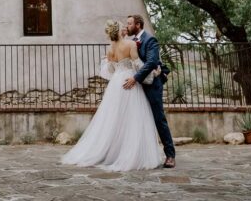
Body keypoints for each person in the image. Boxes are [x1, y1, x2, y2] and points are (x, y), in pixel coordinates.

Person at [61, 20, 164, 171]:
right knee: (133, 118)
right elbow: (138, 66)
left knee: (114, 118)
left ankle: (113, 152)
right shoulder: (130, 45)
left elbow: (110, 70)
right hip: (129, 81)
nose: (125, 28)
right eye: (123, 26)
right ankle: (130, 153)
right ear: (120, 31)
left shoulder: (110, 49)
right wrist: (153, 73)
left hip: (116, 83)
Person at [122, 14, 176, 168]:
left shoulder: (150, 39)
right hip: (138, 87)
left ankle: (170, 155)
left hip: (152, 84)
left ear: (138, 25)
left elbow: (152, 62)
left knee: (159, 119)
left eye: (130, 23)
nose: (127, 26)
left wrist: (135, 78)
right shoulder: (132, 42)